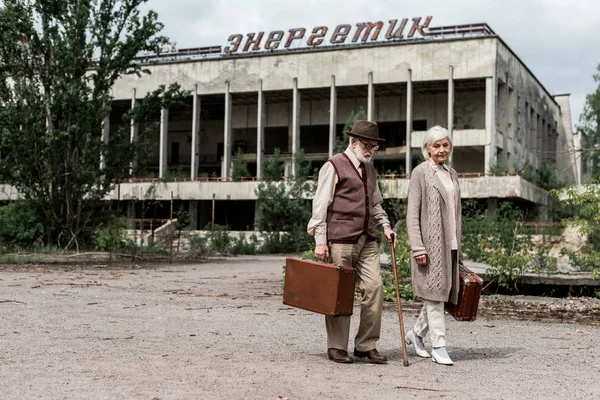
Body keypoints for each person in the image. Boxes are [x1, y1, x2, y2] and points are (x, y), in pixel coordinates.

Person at [307, 120, 396, 364]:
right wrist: (320, 241)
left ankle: (365, 345)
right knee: (340, 293)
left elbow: (375, 204)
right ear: (353, 142)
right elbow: (320, 205)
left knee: (375, 288)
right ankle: (337, 346)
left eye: (374, 146)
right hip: (340, 239)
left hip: (367, 238)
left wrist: (386, 227)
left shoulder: (370, 170)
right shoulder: (333, 165)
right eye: (366, 145)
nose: (370, 150)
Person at [405, 125, 461, 366]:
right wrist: (418, 247)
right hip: (429, 246)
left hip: (451, 245)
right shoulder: (420, 173)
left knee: (438, 294)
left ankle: (416, 334)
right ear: (427, 148)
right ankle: (439, 346)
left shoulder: (452, 174)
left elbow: (456, 212)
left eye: (445, 145)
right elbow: (412, 214)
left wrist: (459, 244)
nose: (441, 149)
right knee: (436, 296)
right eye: (436, 145)